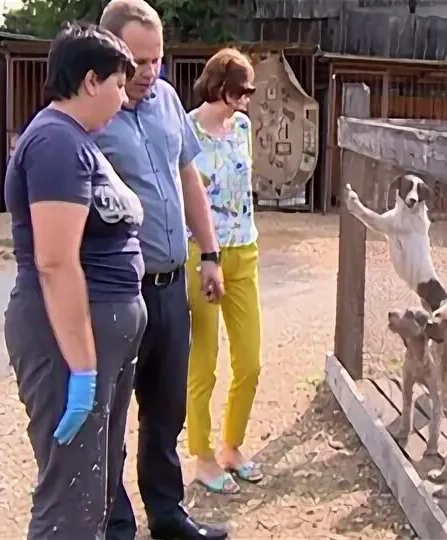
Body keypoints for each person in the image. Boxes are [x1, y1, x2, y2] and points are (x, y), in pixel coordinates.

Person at [3, 22, 146, 539]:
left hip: (104, 330)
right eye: (118, 85)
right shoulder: (56, 143)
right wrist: (82, 369)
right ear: (90, 81)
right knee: (71, 498)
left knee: (95, 490)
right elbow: (56, 261)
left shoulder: (79, 141)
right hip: (68, 338)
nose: (123, 98)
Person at [94, 1, 228, 539]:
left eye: (158, 60)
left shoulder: (168, 101)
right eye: (139, 61)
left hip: (172, 286)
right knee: (109, 419)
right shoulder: (92, 117)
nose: (150, 72)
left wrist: (211, 253)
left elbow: (188, 178)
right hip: (119, 292)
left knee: (166, 411)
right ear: (112, 54)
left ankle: (168, 515)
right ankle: (116, 525)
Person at [184, 48, 263, 495]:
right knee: (204, 360)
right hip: (200, 256)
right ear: (222, 87)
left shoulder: (244, 127)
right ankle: (203, 455)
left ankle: (233, 445)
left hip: (244, 250)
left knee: (250, 359)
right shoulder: (187, 129)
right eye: (244, 89)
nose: (250, 98)